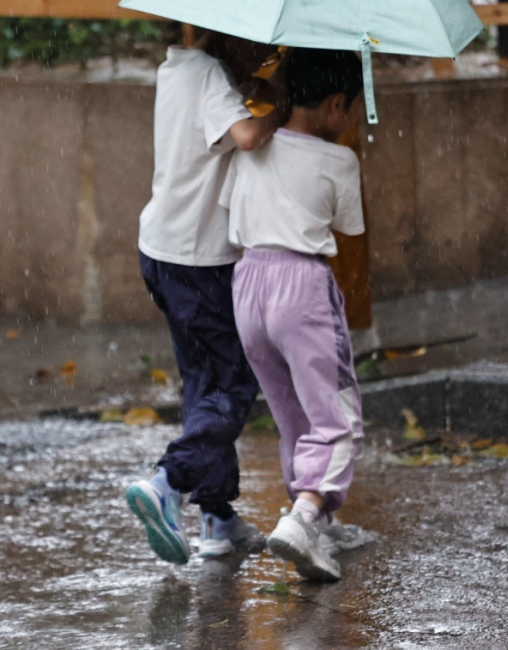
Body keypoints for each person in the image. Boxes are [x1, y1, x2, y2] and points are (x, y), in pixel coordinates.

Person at [126, 29, 286, 565]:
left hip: (162, 251)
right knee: (234, 381)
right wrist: (279, 110)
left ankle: (216, 514)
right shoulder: (209, 74)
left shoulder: (175, 69)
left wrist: (246, 88)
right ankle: (167, 481)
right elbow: (246, 136)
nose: (258, 53)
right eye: (255, 44)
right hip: (199, 262)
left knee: (204, 383)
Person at [220, 48, 366, 582]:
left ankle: (312, 520)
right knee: (337, 416)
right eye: (352, 108)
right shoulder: (340, 160)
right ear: (335, 104)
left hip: (247, 284)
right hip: (301, 286)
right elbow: (349, 227)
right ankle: (305, 516)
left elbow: (230, 209)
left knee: (292, 416)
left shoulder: (252, 147)